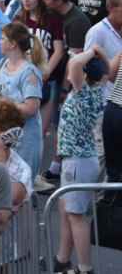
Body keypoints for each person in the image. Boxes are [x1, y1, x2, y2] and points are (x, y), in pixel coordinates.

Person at [50, 46, 108, 274]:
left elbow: (74, 64)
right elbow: (106, 71)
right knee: (66, 208)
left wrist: (93, 51)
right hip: (80, 160)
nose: (69, 71)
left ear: (83, 76)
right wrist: (99, 56)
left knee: (76, 216)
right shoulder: (98, 89)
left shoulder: (82, 92)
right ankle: (62, 258)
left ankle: (85, 267)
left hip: (77, 161)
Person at [0, 22, 45, 182]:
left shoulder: (28, 72)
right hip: (3, 137)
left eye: (2, 38)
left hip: (24, 141)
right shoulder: (2, 64)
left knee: (20, 186)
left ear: (12, 43)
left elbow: (32, 107)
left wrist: (1, 107)